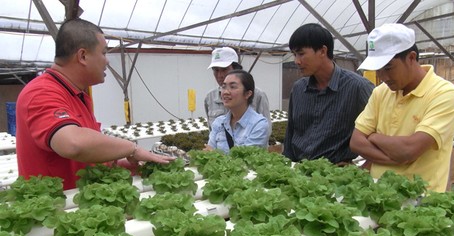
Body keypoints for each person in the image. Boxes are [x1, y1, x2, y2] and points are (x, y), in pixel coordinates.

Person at [350, 23, 454, 236]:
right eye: (379, 69)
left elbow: (411, 149)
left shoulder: (444, 93)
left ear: (411, 57)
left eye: (388, 67)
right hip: (377, 197)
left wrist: (374, 137)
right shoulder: (381, 93)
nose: (383, 76)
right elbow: (355, 142)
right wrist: (398, 153)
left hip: (419, 206)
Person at [16, 18, 174, 190]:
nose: (107, 61)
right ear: (83, 56)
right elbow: (73, 144)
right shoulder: (41, 92)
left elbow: (82, 157)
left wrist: (120, 165)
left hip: (78, 206)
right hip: (55, 212)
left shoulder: (78, 94)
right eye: (104, 53)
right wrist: (132, 149)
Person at [283, 23, 374, 165]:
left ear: (322, 51)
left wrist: (364, 167)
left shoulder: (358, 87)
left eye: (301, 54)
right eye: (294, 55)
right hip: (298, 172)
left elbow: (380, 131)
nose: (296, 61)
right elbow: (291, 134)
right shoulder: (299, 89)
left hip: (335, 176)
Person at [205, 47, 271, 134]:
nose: (219, 75)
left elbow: (266, 131)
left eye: (224, 69)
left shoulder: (258, 95)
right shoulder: (210, 98)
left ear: (236, 69)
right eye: (216, 70)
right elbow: (212, 132)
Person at [205, 70, 269, 154]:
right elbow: (208, 154)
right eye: (224, 87)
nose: (226, 92)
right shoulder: (219, 122)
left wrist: (215, 154)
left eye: (233, 87)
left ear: (247, 94)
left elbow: (246, 160)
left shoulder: (259, 124)